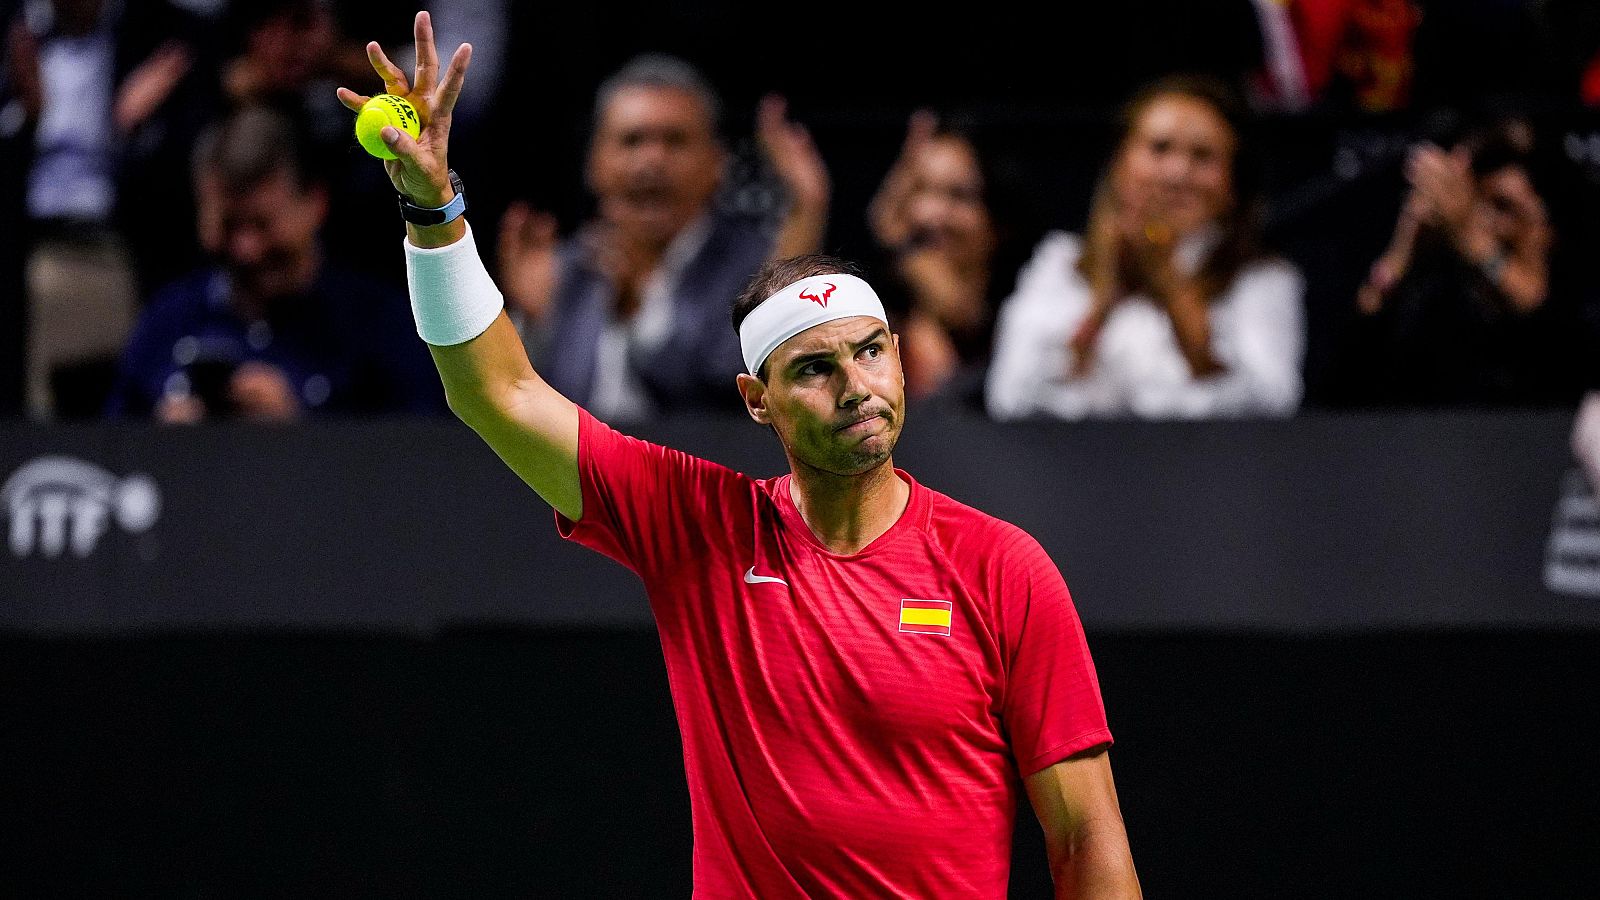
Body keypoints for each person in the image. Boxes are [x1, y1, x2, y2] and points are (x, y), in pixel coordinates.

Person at [338, 13, 1139, 897]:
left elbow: (1086, 834)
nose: (856, 385)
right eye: (815, 368)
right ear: (757, 401)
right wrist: (433, 211)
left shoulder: (1003, 570)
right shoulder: (701, 527)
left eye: (872, 350)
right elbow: (496, 392)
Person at [494, 55, 830, 421]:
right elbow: (533, 413)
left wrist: (634, 318)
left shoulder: (755, 267)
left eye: (675, 141)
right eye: (632, 141)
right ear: (594, 162)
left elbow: (726, 398)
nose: (652, 160)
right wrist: (530, 325)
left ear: (717, 163)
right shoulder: (570, 270)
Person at [987, 76, 1304, 421]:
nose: (1177, 173)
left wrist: (1174, 291)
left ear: (1232, 184)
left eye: (1202, 156)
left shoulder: (1261, 279)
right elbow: (1010, 398)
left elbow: (1274, 408)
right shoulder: (1061, 262)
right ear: (1119, 165)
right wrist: (1102, 302)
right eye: (1159, 148)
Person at [108, 106, 443, 422]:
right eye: (228, 225)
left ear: (315, 204)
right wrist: (162, 443)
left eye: (262, 224)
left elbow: (425, 457)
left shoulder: (380, 325)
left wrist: (298, 431)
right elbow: (109, 457)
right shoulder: (167, 321)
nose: (247, 249)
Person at [1351, 119, 1581, 406]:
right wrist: (1403, 247)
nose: (1489, 220)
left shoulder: (1570, 288)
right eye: (1481, 202)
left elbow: (1536, 306)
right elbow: (1358, 352)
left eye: (1504, 207)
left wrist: (1468, 233)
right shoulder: (1444, 277)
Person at [866, 111, 1041, 405]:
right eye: (919, 189)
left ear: (999, 221)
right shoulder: (873, 329)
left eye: (958, 195)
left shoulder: (1033, 317)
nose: (928, 213)